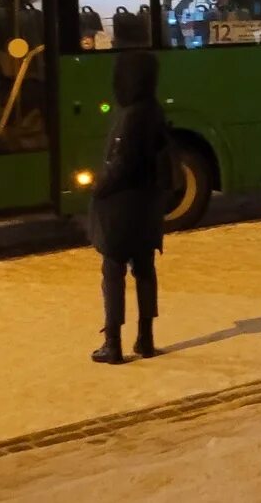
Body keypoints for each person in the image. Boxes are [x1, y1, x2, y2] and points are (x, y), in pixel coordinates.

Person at [86, 50, 170, 364]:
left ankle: (113, 342)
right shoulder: (154, 110)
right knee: (145, 270)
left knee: (113, 272)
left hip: (122, 207)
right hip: (147, 205)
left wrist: (99, 187)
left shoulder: (131, 114)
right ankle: (145, 337)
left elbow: (120, 164)